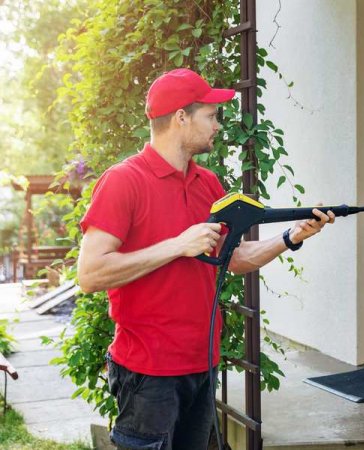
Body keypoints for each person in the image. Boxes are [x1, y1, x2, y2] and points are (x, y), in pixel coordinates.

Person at [77, 68, 335, 449]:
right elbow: (90, 273)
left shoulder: (207, 184)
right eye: (211, 116)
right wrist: (177, 245)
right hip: (148, 372)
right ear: (181, 117)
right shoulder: (124, 181)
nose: (218, 125)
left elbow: (235, 257)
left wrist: (292, 236)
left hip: (201, 363)